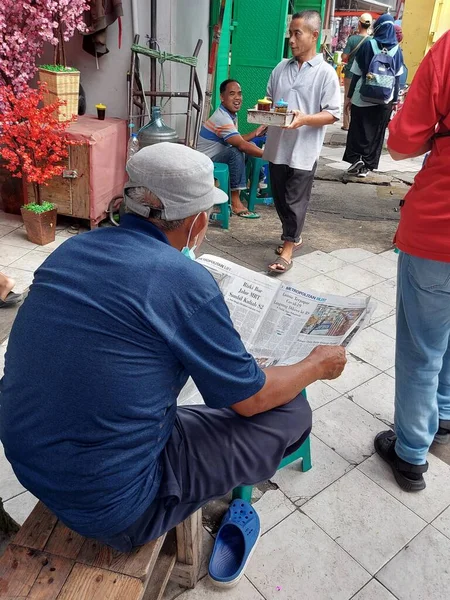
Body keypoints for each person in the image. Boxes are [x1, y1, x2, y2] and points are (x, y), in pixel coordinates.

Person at [0, 143, 346, 578]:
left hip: (32, 463)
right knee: (290, 410)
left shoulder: (70, 252)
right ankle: (201, 500)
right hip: (120, 510)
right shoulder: (184, 280)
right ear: (198, 220)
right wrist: (316, 364)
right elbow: (250, 402)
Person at [374, 30, 450, 492]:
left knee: (423, 347)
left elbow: (402, 143)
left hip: (440, 227)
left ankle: (411, 454)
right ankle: (443, 412)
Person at [263, 10, 340, 274]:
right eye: (290, 34)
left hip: (304, 150)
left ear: (314, 36)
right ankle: (294, 236)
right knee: (280, 198)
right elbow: (271, 101)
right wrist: (264, 116)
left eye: (298, 34)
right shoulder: (280, 68)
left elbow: (332, 113)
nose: (292, 40)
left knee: (296, 200)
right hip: (276, 147)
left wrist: (305, 119)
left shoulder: (325, 73)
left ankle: (288, 247)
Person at [343, 13, 404, 178]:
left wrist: (349, 97)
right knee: (376, 134)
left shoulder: (368, 45)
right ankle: (366, 167)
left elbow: (356, 74)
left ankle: (356, 159)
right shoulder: (397, 50)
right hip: (384, 99)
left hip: (362, 97)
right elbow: (397, 78)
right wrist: (394, 101)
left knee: (357, 129)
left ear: (377, 27)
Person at [197, 79, 267, 219]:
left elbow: (238, 138)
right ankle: (235, 200)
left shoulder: (230, 115)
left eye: (239, 94)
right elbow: (240, 144)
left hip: (217, 157)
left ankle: (259, 182)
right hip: (206, 163)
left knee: (250, 145)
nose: (237, 98)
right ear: (222, 97)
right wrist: (271, 156)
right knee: (237, 151)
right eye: (232, 94)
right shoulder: (222, 118)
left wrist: (255, 133)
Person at [341, 13, 372, 131]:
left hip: (350, 73)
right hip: (365, 74)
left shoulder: (352, 39)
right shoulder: (371, 41)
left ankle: (346, 124)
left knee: (347, 97)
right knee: (360, 98)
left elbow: (344, 56)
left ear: (359, 23)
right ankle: (356, 123)